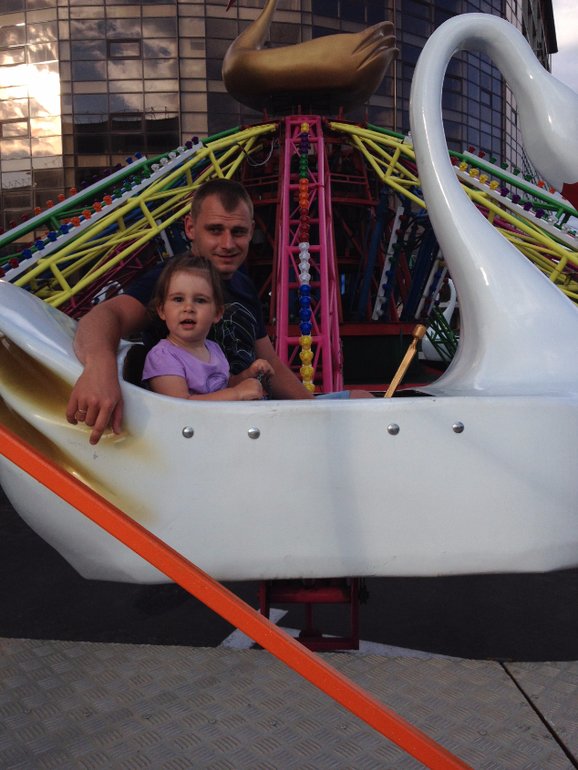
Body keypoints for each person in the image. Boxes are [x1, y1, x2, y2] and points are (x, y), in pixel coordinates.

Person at [66, 178, 371, 445]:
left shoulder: (243, 285)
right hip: (215, 430)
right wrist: (99, 369)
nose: (228, 244)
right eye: (215, 230)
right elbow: (104, 317)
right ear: (190, 228)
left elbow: (272, 364)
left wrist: (315, 411)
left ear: (251, 232)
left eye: (238, 232)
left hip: (259, 412)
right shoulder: (173, 282)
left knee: (363, 403)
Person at [142, 253, 272, 401]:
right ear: (161, 310)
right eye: (178, 299)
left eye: (200, 300)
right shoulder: (163, 357)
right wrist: (237, 393)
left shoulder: (213, 349)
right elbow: (180, 406)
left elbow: (225, 389)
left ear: (217, 313)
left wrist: (248, 375)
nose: (188, 308)